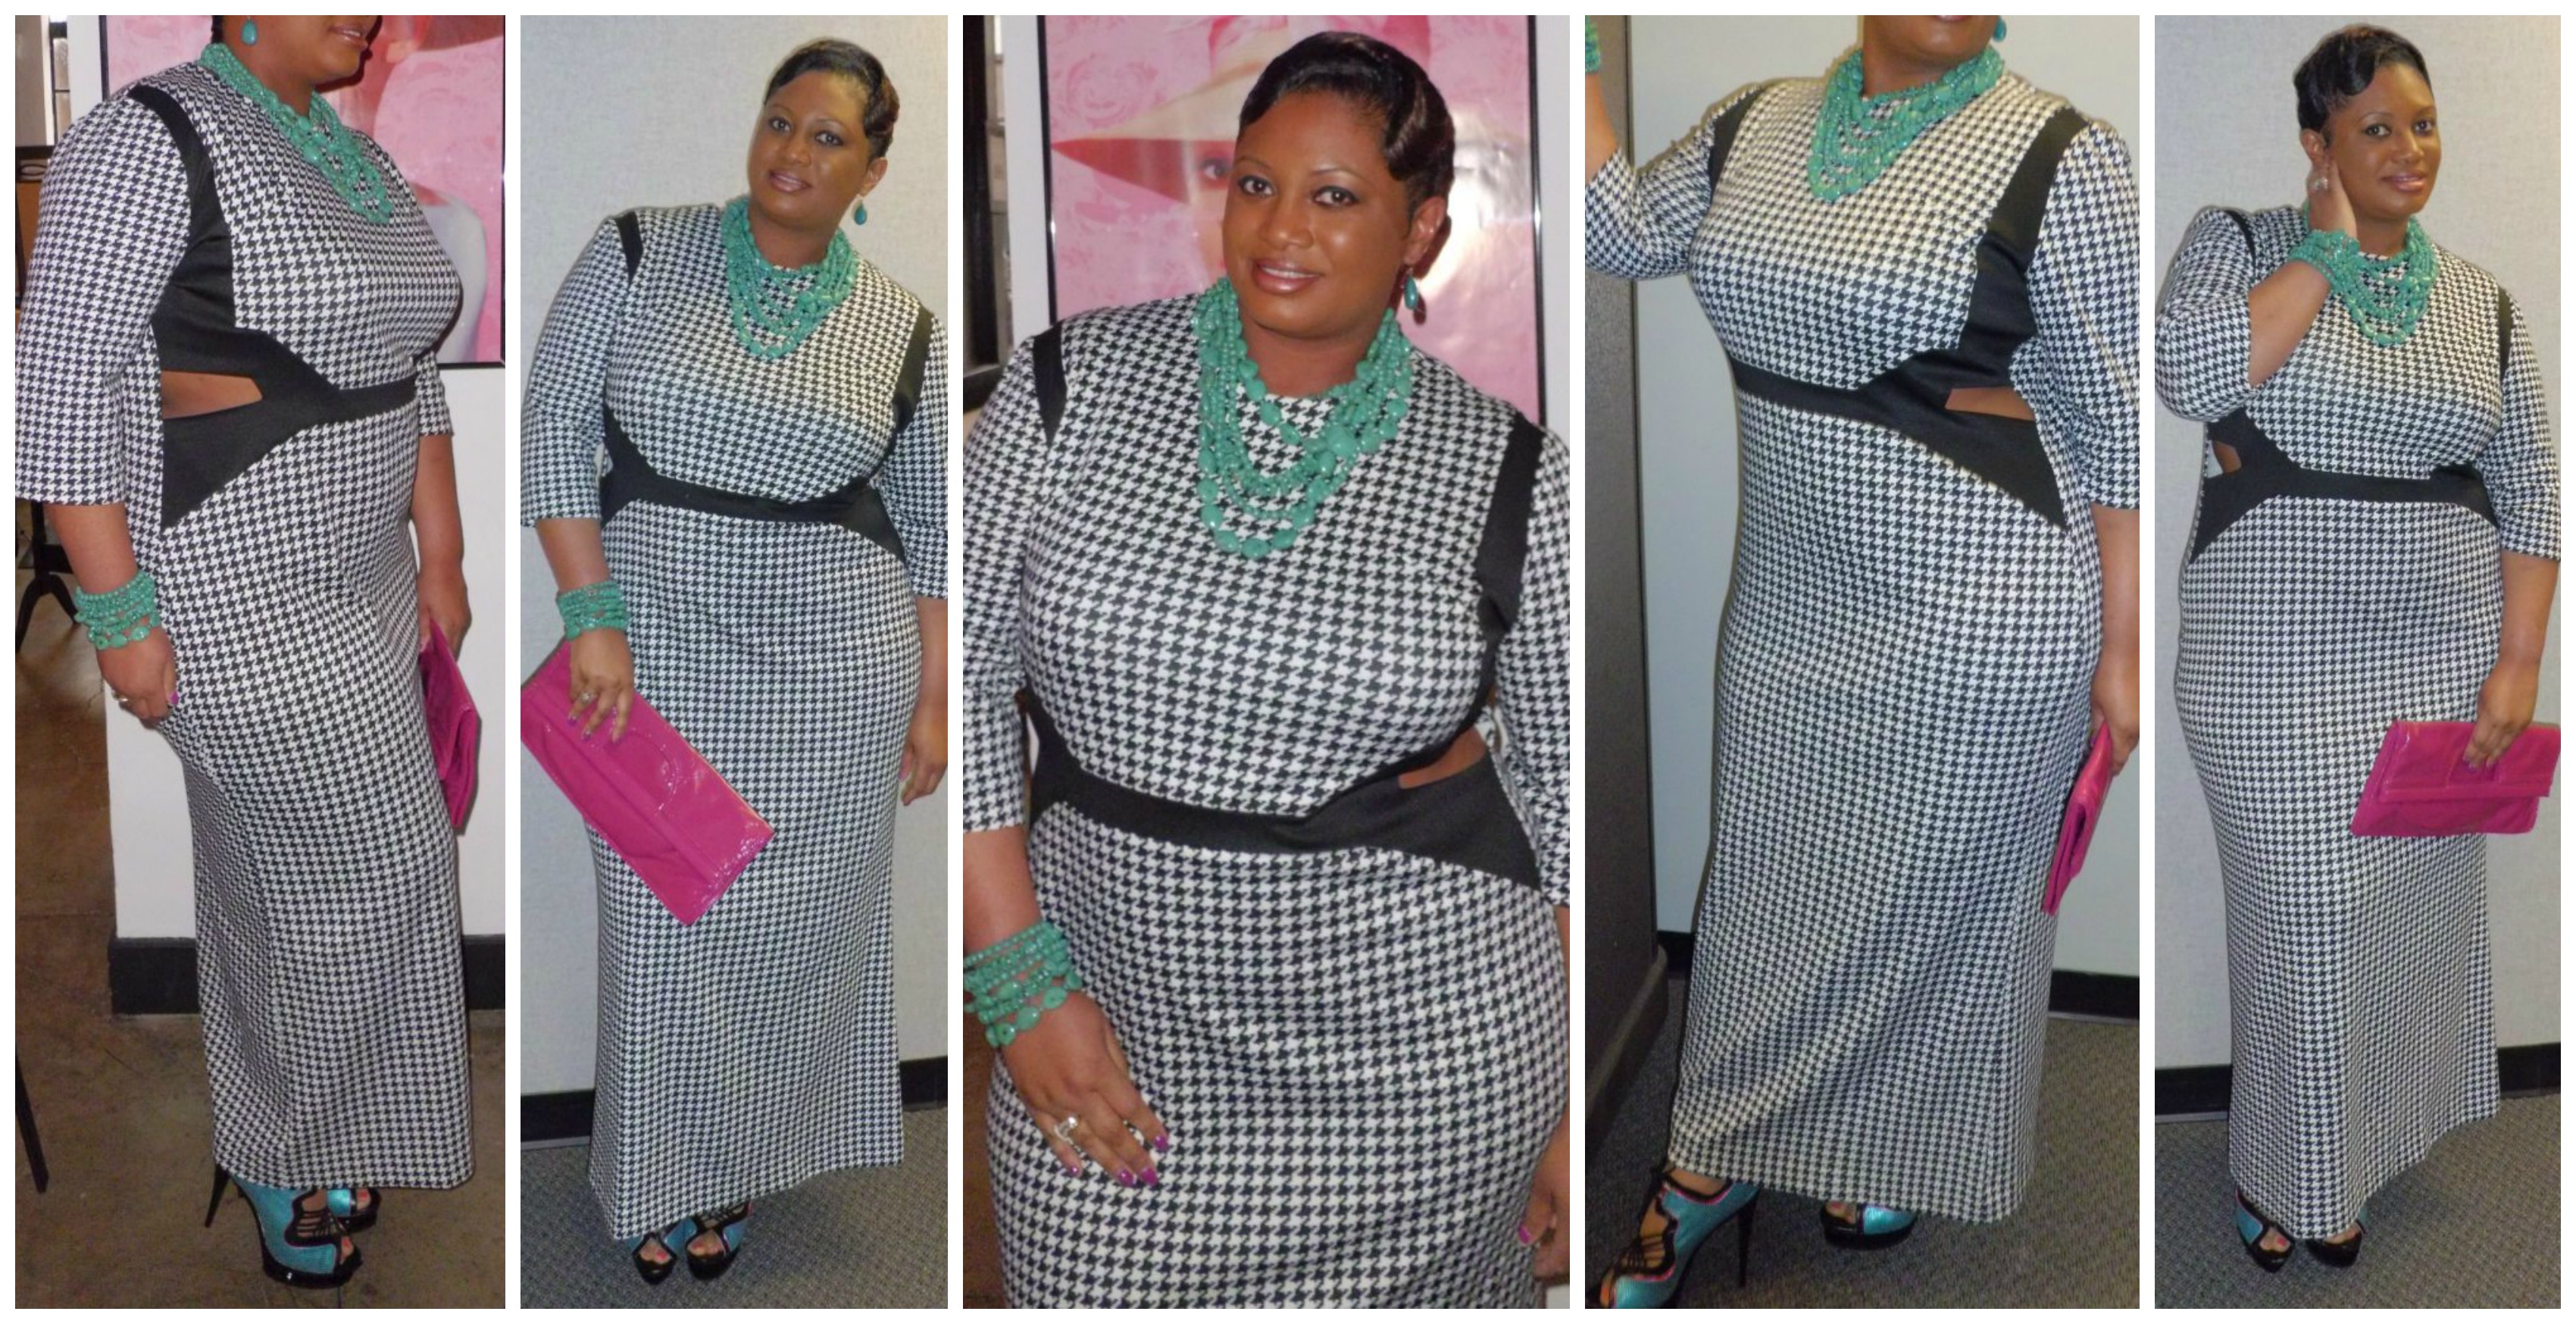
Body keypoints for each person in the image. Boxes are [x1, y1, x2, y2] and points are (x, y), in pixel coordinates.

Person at [960, 30, 1571, 1307]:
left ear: (1421, 231)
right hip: (1102, 1007)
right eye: (1254, 183)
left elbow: (1562, 806)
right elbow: (956, 679)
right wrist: (1016, 985)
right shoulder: (1068, 387)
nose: (1281, 229)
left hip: (1421, 1060)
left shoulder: (1512, 467)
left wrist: (1566, 1104)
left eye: (1336, 196)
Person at [1584, 16, 2139, 1304]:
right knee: (1774, 882)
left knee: (1938, 901)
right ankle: (1766, 1148)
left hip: (1984, 602)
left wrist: (2118, 651)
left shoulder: (2064, 151)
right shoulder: (1751, 121)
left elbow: (2116, 424)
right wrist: (1581, 54)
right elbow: (1620, 232)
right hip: (1794, 595)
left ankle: (1723, 1167)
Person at [14, 14, 469, 1288]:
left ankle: (319, 1124)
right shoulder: (145, 134)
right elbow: (57, 385)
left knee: (304, 883)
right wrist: (117, 621)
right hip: (232, 583)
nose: (370, 13)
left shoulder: (345, 148)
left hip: (367, 580)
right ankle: (278, 1149)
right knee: (352, 880)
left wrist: (442, 556)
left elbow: (410, 368)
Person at [522, 37, 947, 1284]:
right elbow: (552, 430)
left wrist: (930, 698)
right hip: (646, 651)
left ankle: (737, 1169)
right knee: (665, 932)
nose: (793, 151)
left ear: (873, 170)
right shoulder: (636, 251)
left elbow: (930, 529)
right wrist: (589, 612)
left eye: (829, 137)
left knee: (792, 941)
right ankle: (660, 1171)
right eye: (780, 121)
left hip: (836, 674)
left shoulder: (906, 326)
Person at [2159, 23, 2557, 1271]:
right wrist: (2325, 254)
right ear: (2316, 143)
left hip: (2441, 655)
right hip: (2267, 656)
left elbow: (2534, 489)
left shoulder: (2486, 302)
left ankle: (2356, 1146)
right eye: (2376, 127)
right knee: (2305, 910)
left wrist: (2519, 662)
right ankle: (2289, 1173)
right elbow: (2190, 375)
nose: (2409, 148)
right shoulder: (2239, 243)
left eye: (2423, 123)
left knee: (2403, 917)